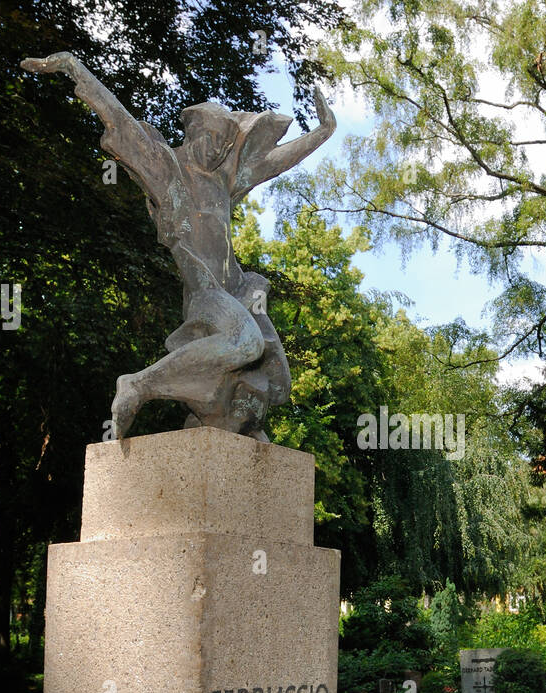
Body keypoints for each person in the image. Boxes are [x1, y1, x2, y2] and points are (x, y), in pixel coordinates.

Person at [20, 51, 336, 438]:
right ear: (194, 133)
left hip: (235, 289)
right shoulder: (168, 170)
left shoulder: (221, 181)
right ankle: (137, 384)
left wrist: (322, 132)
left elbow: (272, 163)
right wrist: (75, 69)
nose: (219, 151)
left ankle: (221, 419)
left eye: (225, 145)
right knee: (244, 343)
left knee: (277, 381)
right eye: (215, 140)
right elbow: (122, 123)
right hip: (203, 291)